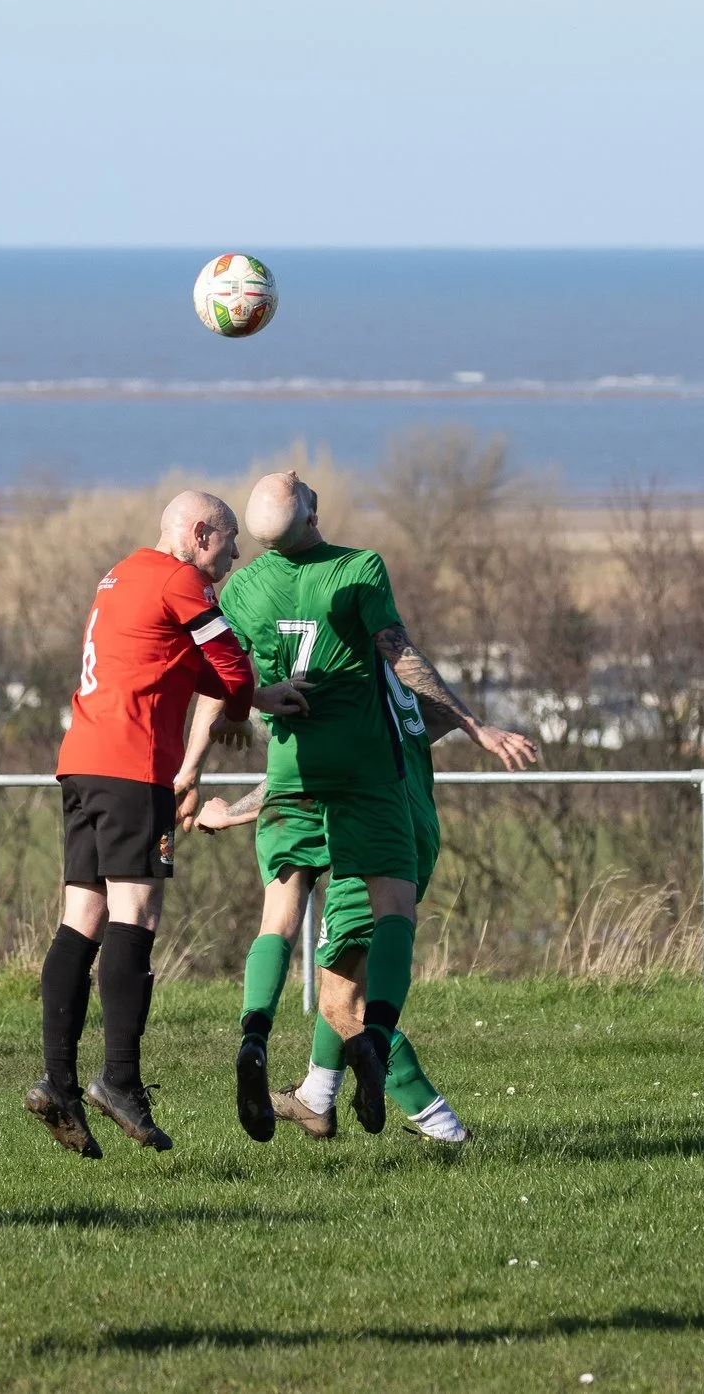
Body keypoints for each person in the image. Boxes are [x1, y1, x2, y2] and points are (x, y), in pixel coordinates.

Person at [207, 471, 536, 1138]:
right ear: (313, 512)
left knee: (321, 974)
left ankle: (426, 1116)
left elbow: (222, 683)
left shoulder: (241, 590)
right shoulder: (363, 596)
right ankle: (322, 1094)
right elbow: (410, 666)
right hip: (388, 805)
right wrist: (478, 726)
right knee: (368, 958)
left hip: (307, 786)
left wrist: (217, 772)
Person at [32, 490, 307, 1157]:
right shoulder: (182, 579)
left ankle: (58, 1083)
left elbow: (167, 663)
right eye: (231, 540)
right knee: (138, 912)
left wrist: (247, 698)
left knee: (83, 917)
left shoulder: (121, 575)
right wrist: (246, 700)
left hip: (83, 764)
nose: (237, 555)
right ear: (199, 532)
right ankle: (119, 1079)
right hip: (132, 768)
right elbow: (230, 664)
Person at [188, 646, 514, 1143]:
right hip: (416, 831)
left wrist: (230, 812)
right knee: (339, 983)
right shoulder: (393, 680)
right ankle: (316, 1099)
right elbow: (441, 717)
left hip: (371, 843)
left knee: (345, 1008)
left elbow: (301, 782)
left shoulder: (336, 687)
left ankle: (442, 1126)